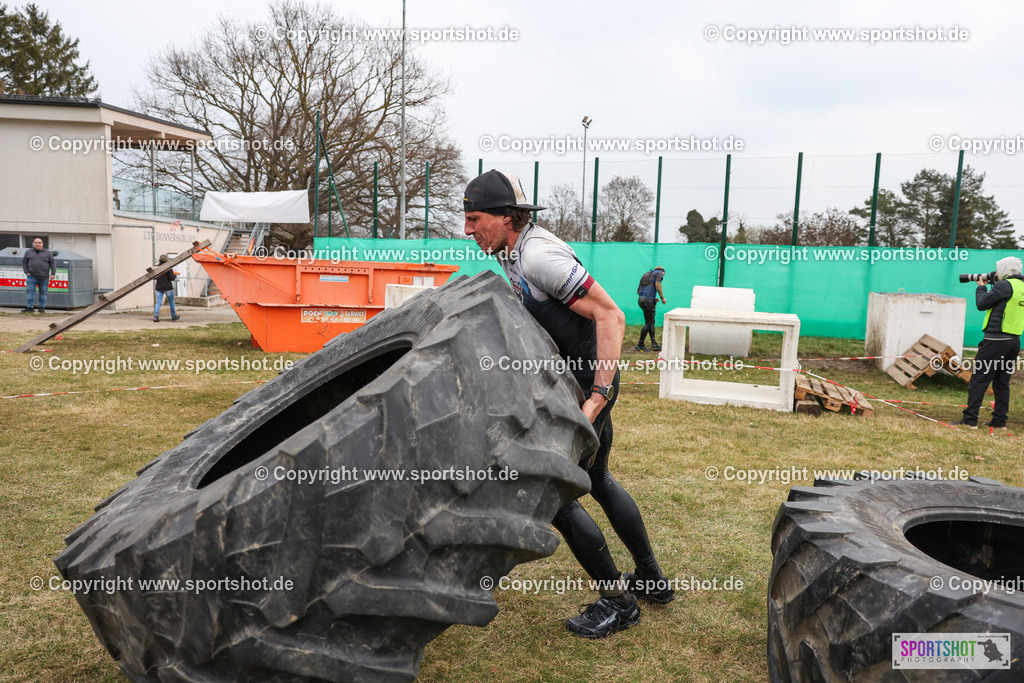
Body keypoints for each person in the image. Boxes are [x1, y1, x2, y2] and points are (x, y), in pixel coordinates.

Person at [463, 170, 672, 639]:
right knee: (596, 479)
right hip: (575, 383)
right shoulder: (514, 251)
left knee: (555, 498)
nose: (468, 229)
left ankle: (620, 602)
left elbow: (611, 315)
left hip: (586, 390)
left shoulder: (537, 257)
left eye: (474, 219)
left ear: (503, 217)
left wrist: (597, 397)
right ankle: (653, 581)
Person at [955, 256, 1024, 430]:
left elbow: (982, 304)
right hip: (1014, 341)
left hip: (996, 340)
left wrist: (981, 287)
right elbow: (1004, 306)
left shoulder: (1004, 286)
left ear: (1005, 270)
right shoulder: (1020, 287)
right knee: (1002, 382)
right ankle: (1000, 422)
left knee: (979, 379)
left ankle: (970, 420)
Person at [635, 267, 666, 352]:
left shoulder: (645, 275)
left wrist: (651, 297)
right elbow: (658, 284)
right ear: (662, 272)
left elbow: (638, 291)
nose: (662, 277)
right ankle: (640, 344)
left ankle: (654, 344)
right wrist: (662, 298)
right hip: (648, 301)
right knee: (649, 322)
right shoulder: (659, 273)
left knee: (651, 321)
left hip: (641, 300)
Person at [21, 237, 56, 314]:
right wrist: (26, 272)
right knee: (30, 292)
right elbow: (24, 262)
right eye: (36, 242)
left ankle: (41, 308)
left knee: (43, 292)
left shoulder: (48, 253)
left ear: (42, 244)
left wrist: (53, 274)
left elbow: (52, 263)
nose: (38, 244)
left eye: (39, 242)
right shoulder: (28, 252)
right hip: (31, 277)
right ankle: (30, 307)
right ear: (33, 243)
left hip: (44, 277)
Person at [153, 255, 181, 323]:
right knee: (171, 302)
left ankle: (156, 316)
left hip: (159, 287)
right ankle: (173, 316)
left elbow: (154, 277)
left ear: (160, 259)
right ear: (166, 260)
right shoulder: (168, 267)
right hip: (168, 287)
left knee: (158, 302)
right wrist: (175, 274)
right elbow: (172, 278)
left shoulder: (156, 267)